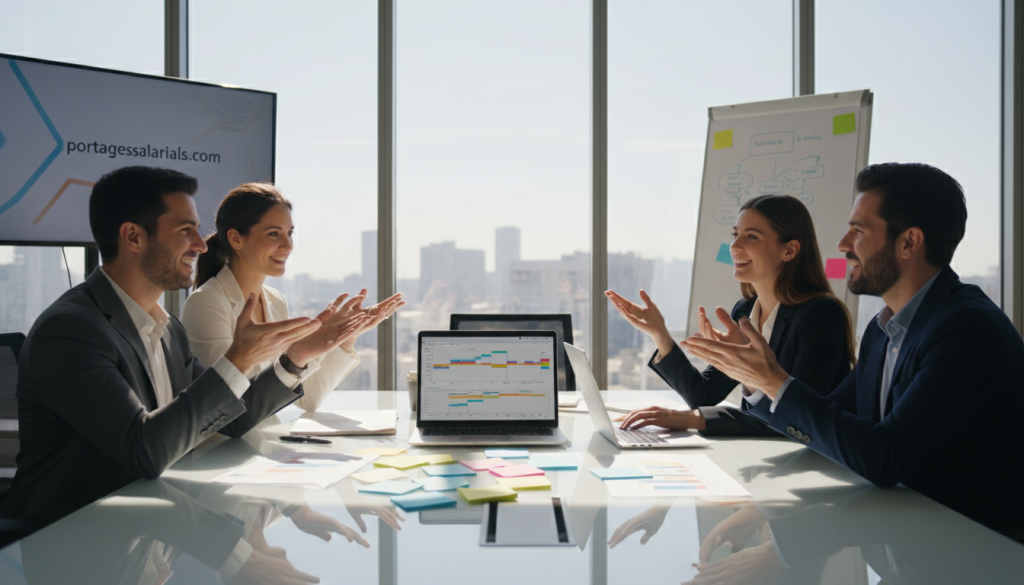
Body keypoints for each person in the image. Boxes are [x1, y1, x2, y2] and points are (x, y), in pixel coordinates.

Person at [4, 166, 362, 527]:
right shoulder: (71, 330)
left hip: (150, 528)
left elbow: (231, 420)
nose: (202, 244)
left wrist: (296, 358)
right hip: (74, 540)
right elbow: (143, 451)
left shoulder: (168, 330)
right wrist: (237, 360)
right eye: (184, 230)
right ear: (133, 237)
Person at [683, 162, 1024, 535]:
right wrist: (760, 383)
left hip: (974, 553)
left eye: (858, 232)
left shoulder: (968, 330)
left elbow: (886, 457)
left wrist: (773, 381)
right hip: (901, 537)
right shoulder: (884, 329)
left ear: (909, 242)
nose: (843, 246)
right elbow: (834, 416)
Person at [607, 194, 855, 436]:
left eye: (751, 237)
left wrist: (694, 419)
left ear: (789, 250)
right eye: (735, 235)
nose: (735, 247)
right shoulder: (745, 312)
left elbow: (799, 417)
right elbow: (704, 395)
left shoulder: (821, 315)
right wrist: (660, 334)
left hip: (815, 462)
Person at [180, 182, 403, 412]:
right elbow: (229, 409)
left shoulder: (275, 301)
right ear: (236, 239)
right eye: (274, 233)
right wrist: (297, 354)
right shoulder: (206, 304)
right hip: (226, 446)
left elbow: (306, 399)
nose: (287, 245)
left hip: (267, 443)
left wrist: (345, 337)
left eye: (289, 233)